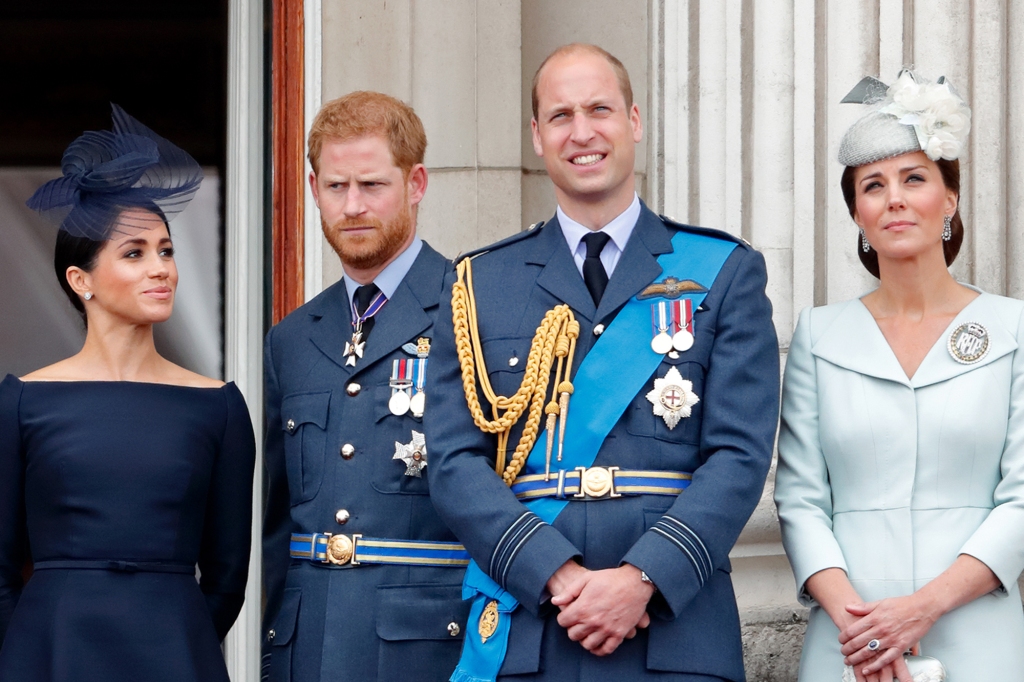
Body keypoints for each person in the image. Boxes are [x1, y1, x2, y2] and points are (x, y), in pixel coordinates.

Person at [425, 44, 780, 681]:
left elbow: (740, 455)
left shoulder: (722, 271)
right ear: (537, 136)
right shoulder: (480, 282)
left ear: (635, 122)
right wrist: (554, 572)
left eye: (599, 110)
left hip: (674, 630)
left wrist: (644, 578)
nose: (581, 132)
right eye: (560, 115)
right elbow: (454, 461)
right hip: (534, 625)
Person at [775, 71, 1024, 682]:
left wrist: (920, 610)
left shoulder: (1014, 328)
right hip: (849, 640)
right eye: (872, 185)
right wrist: (864, 627)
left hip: (978, 630)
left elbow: (1022, 496)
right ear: (856, 211)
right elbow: (800, 500)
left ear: (950, 198)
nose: (894, 198)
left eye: (914, 179)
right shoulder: (819, 334)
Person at [0, 105, 256, 682]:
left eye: (166, 250)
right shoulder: (21, 401)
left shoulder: (218, 405)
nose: (161, 268)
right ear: (81, 280)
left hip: (174, 655)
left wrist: (175, 637)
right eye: (134, 253)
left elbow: (226, 576)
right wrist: (30, 649)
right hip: (50, 654)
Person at [261, 91, 470, 682]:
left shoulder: (472, 310)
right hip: (305, 647)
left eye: (372, 185)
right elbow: (277, 522)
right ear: (313, 189)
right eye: (336, 187)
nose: (352, 206)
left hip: (427, 648)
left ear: (416, 182)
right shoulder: (292, 338)